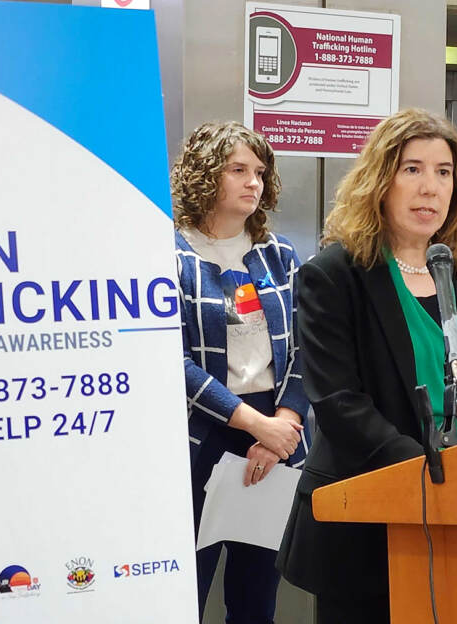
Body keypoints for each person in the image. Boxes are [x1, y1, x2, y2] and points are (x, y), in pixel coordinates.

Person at [275, 108, 457, 624]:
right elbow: (340, 404)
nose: (430, 187)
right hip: (369, 524)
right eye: (413, 169)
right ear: (380, 180)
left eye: (443, 172)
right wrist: (437, 477)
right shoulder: (334, 275)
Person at [172, 121, 310, 623]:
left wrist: (284, 424)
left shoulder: (280, 256)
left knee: (256, 600)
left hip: (276, 439)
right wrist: (254, 425)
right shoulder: (170, 254)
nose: (253, 182)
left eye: (259, 171)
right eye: (238, 170)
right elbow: (172, 362)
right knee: (189, 591)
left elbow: (307, 349)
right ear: (207, 175)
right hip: (203, 435)